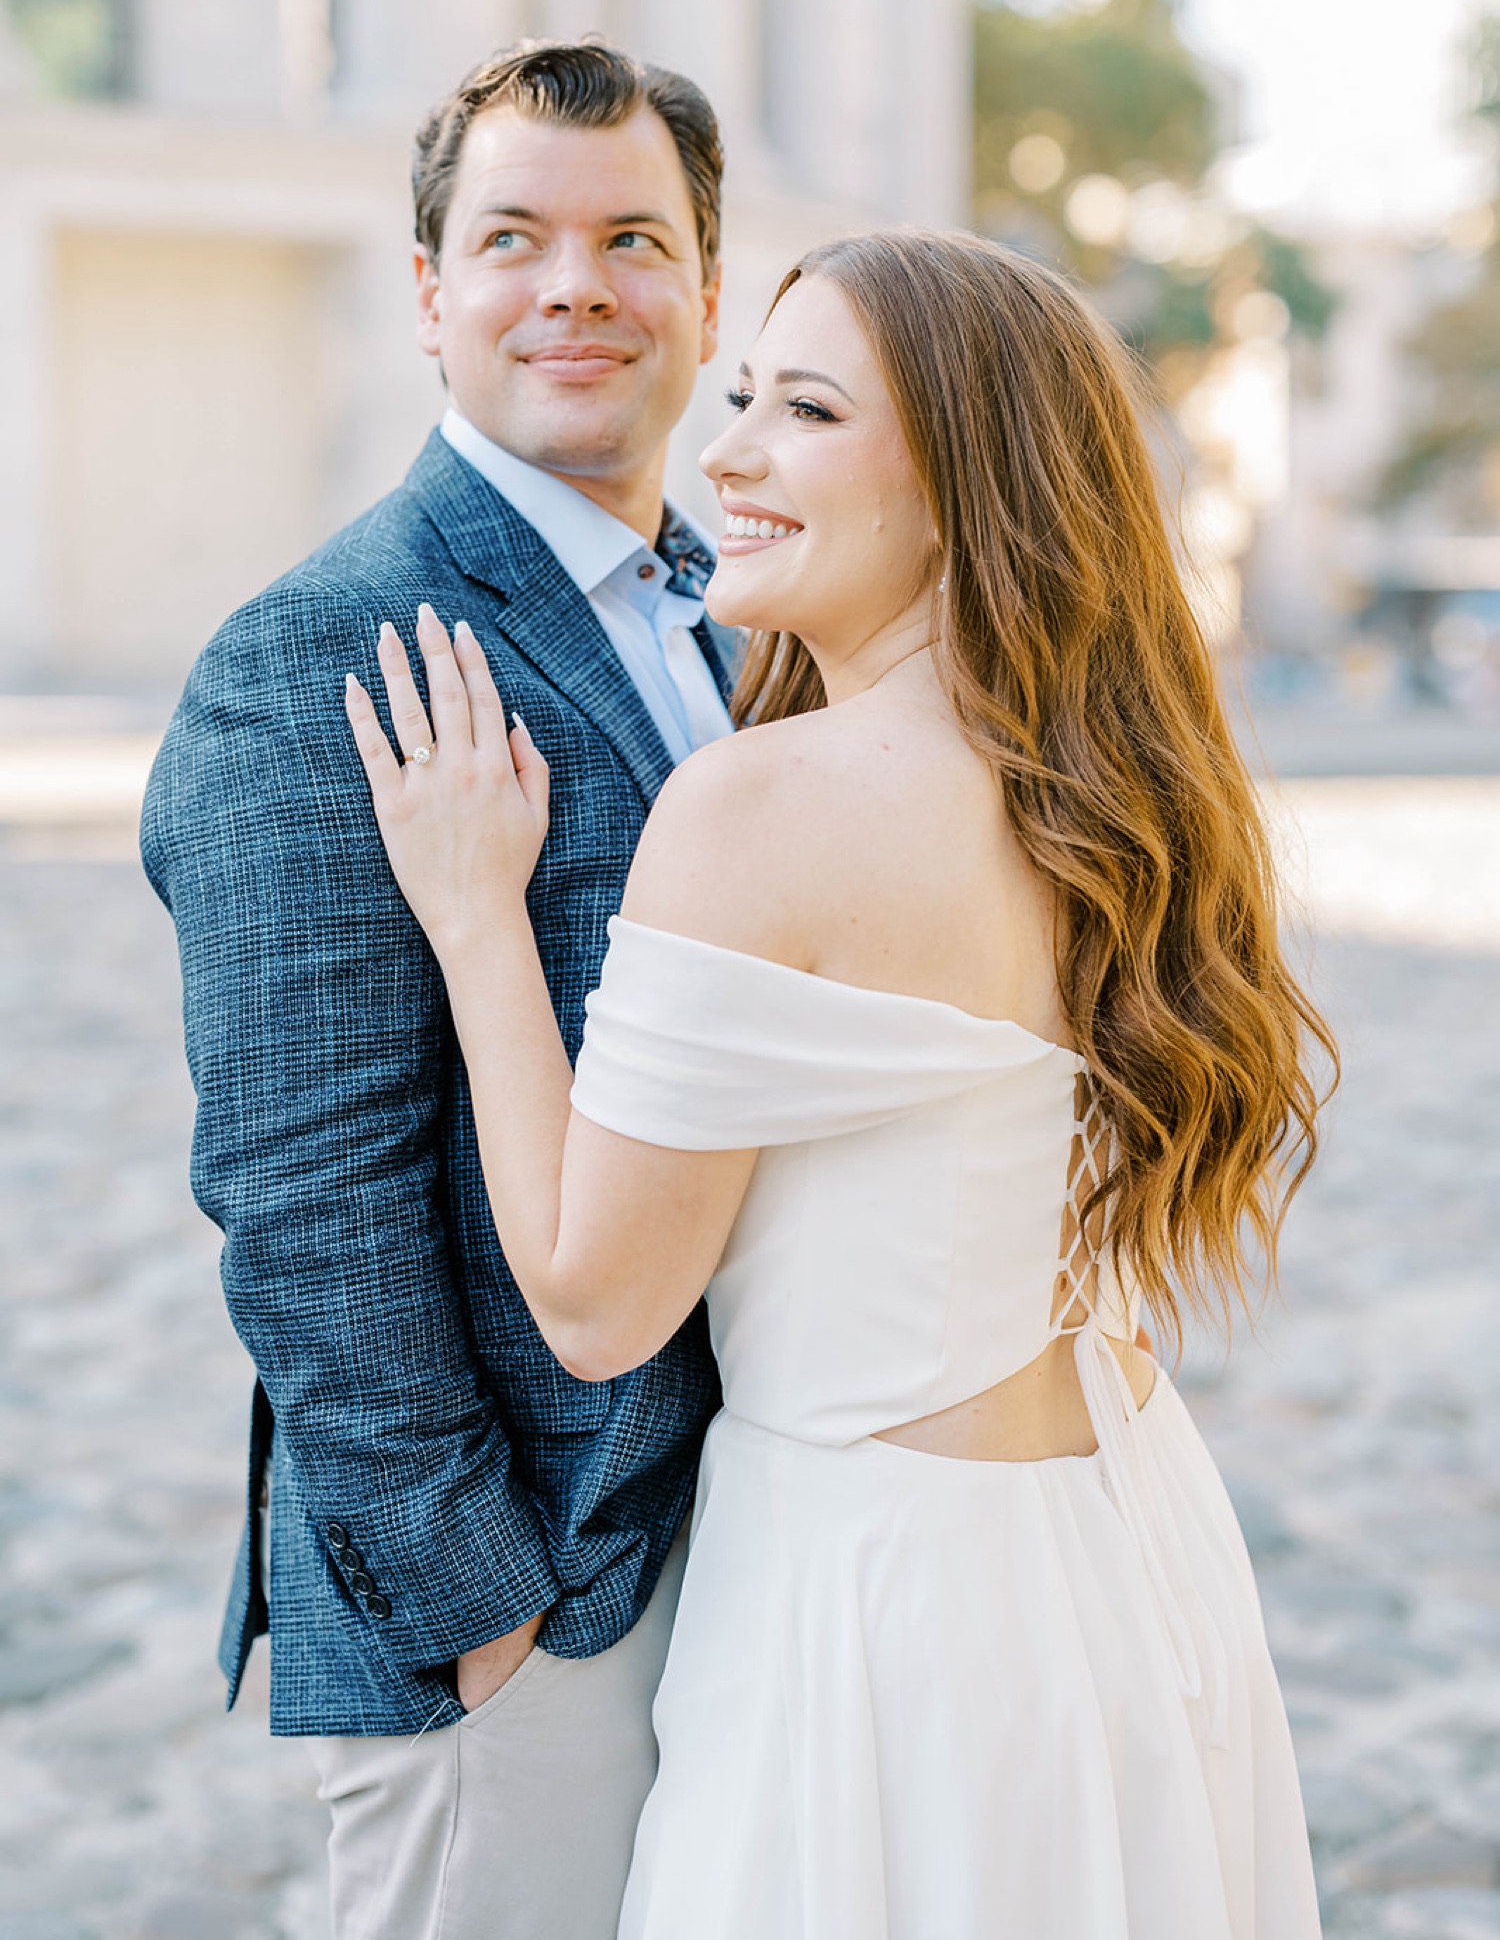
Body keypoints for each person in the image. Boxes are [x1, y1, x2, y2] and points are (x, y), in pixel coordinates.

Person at [345, 226, 1335, 1938]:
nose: (722, 453)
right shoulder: (1118, 798)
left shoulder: (764, 804)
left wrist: (473, 919)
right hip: (1120, 1560)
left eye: (802, 411)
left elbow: (593, 1304)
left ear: (963, 485)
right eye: (742, 397)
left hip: (877, 1599)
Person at [141, 39, 736, 1940]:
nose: (578, 285)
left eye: (634, 237)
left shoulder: (740, 622)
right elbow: (304, 1198)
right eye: (515, 240)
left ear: (706, 290)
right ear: (430, 295)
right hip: (522, 1604)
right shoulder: (312, 655)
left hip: (754, 1556)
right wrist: (481, 1604)